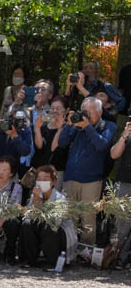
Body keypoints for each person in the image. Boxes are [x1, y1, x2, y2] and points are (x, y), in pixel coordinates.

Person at [56, 97, 116, 246]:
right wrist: (69, 125)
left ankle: (87, 250)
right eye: (85, 112)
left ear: (100, 112)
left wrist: (87, 126)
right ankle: (69, 247)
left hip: (92, 179)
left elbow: (102, 145)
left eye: (90, 112)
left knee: (88, 219)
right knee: (70, 217)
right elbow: (62, 143)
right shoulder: (76, 126)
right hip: (71, 177)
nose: (86, 115)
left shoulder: (108, 125)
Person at [19, 165, 74, 270]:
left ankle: (53, 262)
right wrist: (36, 200)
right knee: (27, 223)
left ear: (53, 182)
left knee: (49, 226)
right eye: (39, 179)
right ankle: (29, 260)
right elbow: (29, 215)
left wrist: (41, 208)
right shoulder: (35, 194)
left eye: (45, 179)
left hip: (58, 231)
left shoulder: (60, 198)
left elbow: (56, 221)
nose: (41, 182)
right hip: (41, 227)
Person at [110, 122, 131, 266]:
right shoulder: (127, 135)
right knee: (121, 222)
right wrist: (124, 135)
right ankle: (117, 257)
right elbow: (114, 154)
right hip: (125, 181)